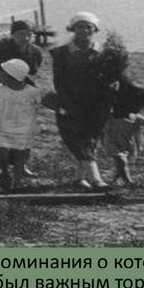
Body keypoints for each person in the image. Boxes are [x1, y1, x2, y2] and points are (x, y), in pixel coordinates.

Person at [50, 11, 111, 189]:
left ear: (95, 29)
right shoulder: (61, 53)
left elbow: (111, 77)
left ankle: (79, 178)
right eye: (79, 27)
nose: (84, 30)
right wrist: (65, 102)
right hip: (71, 101)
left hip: (97, 103)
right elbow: (58, 81)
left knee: (91, 139)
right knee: (76, 138)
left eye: (88, 27)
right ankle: (96, 179)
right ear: (72, 29)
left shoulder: (105, 52)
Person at [0, 20, 44, 175]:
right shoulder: (1, 48)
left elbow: (33, 71)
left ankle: (21, 164)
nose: (25, 38)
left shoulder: (35, 51)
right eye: (20, 34)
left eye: (29, 34)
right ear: (12, 35)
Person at [0, 59, 48, 191]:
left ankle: (17, 181)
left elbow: (41, 102)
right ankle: (4, 172)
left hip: (23, 126)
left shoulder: (30, 91)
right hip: (3, 124)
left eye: (2, 74)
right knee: (2, 152)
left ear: (13, 76)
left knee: (20, 153)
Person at [103, 77, 144, 185]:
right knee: (121, 159)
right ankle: (128, 180)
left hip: (125, 144)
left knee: (121, 162)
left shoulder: (135, 117)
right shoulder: (111, 115)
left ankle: (117, 178)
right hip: (112, 142)